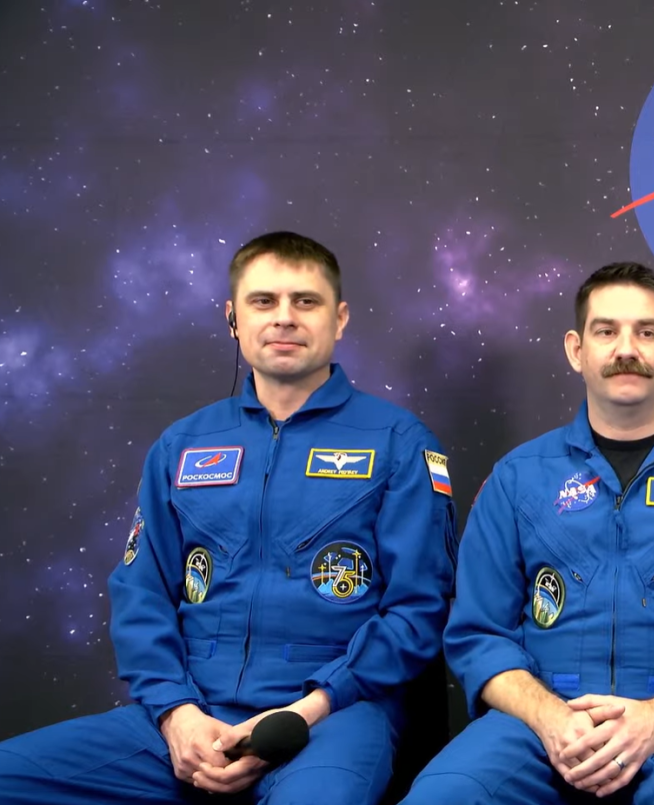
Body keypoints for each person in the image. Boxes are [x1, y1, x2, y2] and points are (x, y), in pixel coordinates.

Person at [0, 231, 459, 804]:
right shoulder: (184, 446)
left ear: (339, 319)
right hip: (192, 713)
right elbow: (142, 594)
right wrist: (176, 714)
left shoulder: (397, 442)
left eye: (306, 301)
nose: (284, 317)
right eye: (263, 301)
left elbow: (418, 610)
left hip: (332, 714)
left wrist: (306, 710)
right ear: (233, 318)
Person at [399, 262, 654, 805]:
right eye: (606, 331)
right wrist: (550, 717)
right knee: (443, 796)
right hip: (541, 723)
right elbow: (478, 635)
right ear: (576, 349)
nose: (626, 349)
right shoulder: (519, 477)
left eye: (646, 332)